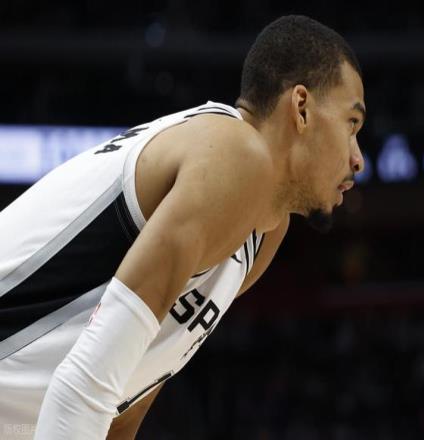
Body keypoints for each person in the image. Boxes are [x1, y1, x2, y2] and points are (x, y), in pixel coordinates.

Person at [0, 14, 365, 439]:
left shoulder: (264, 231)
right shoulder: (235, 155)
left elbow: (123, 405)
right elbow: (83, 390)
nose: (357, 158)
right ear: (301, 108)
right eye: (351, 125)